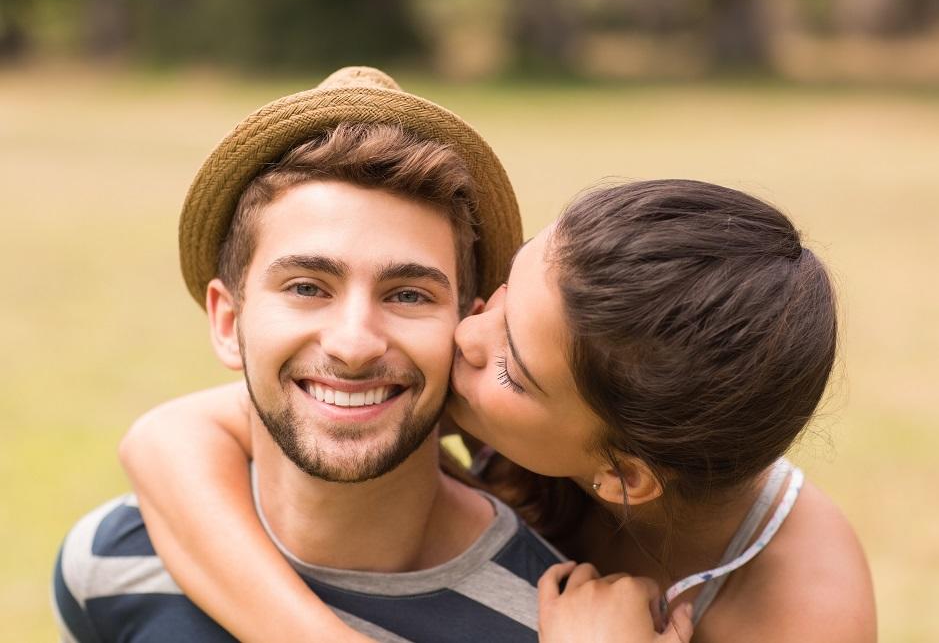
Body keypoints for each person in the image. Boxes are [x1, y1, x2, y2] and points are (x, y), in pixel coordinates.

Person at [117, 176, 877, 642]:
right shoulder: (518, 377)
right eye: (505, 292)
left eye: (511, 363)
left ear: (620, 477)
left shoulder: (798, 607)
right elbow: (164, 441)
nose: (464, 334)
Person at [51, 67, 593, 643]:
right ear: (229, 322)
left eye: (408, 295)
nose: (354, 345)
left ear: (464, 329)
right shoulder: (108, 568)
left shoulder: (557, 622)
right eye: (307, 287)